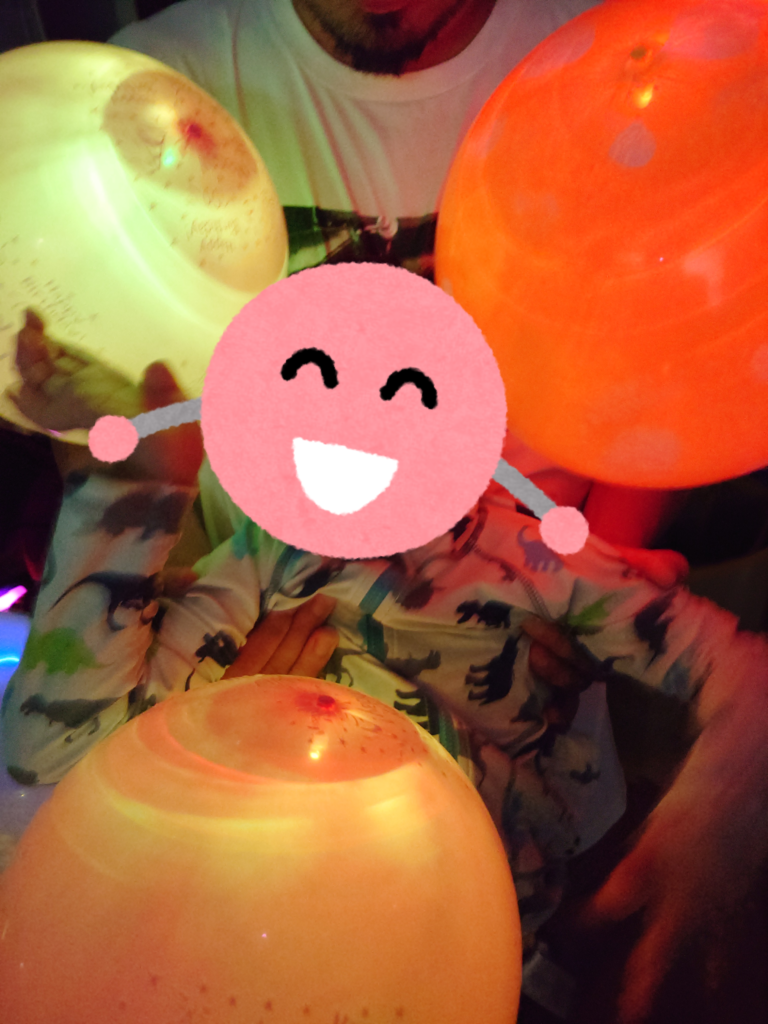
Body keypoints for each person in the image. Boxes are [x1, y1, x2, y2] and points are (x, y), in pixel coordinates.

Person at [3, 312, 768, 1024]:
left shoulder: (532, 556)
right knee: (57, 767)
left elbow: (723, 658)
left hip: (431, 866)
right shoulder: (274, 546)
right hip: (281, 823)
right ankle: (132, 486)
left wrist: (725, 792)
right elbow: (66, 750)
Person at [109, 0, 683, 552]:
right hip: (255, 589)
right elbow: (114, 398)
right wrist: (198, 597)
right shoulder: (147, 86)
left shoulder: (629, 69)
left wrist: (598, 579)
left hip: (537, 578)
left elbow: (671, 356)